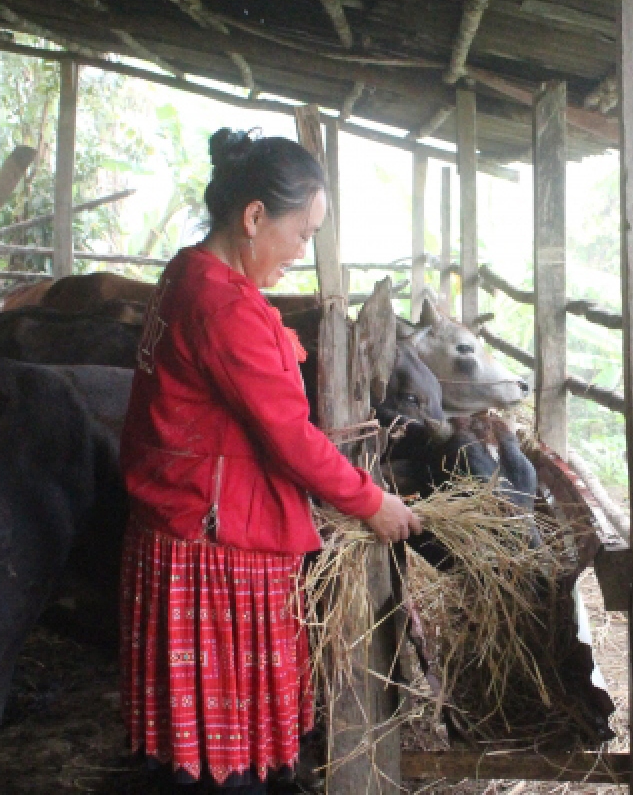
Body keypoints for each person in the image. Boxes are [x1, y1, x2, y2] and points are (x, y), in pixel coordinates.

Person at [119, 129, 422, 794]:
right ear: (254, 218)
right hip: (215, 547)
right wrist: (374, 502)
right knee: (223, 769)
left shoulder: (191, 271)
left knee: (204, 750)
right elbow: (292, 437)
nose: (304, 251)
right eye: (303, 232)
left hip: (182, 525)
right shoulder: (224, 305)